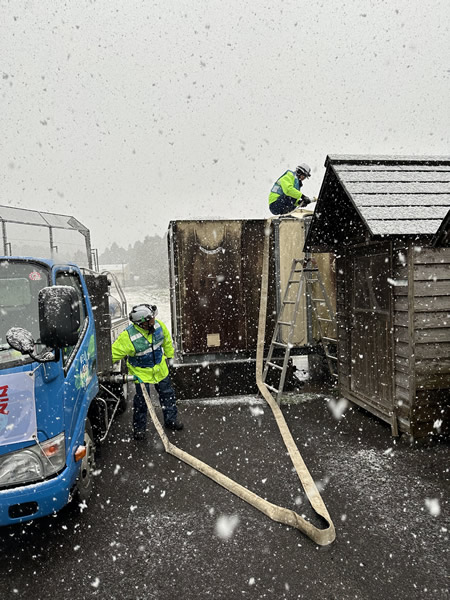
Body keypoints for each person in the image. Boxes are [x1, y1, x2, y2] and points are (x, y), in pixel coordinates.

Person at [112, 303, 183, 440]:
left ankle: (171, 420)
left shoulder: (158, 326)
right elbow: (113, 354)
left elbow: (167, 342)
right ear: (142, 323)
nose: (154, 321)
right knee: (141, 402)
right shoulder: (128, 337)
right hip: (141, 375)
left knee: (167, 395)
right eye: (151, 319)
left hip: (160, 370)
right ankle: (139, 429)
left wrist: (170, 358)